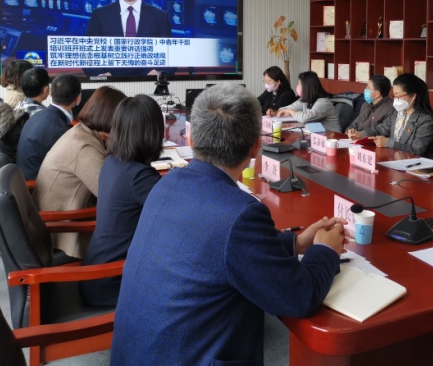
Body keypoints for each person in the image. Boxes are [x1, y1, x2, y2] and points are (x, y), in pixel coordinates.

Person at [111, 84, 346, 366]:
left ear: (191, 137)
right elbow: (299, 298)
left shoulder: (167, 183)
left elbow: (218, 245)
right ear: (256, 147)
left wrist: (294, 243)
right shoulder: (241, 213)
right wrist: (325, 251)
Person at [80, 94, 163, 307]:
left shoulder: (112, 162)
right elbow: (180, 217)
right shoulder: (140, 177)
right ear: (154, 132)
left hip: (98, 274)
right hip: (114, 282)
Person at [34, 86, 127, 258]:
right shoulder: (84, 147)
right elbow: (113, 197)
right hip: (64, 233)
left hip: (57, 220)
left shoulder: (82, 132)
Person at [85, 0, 171, 77]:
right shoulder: (99, 15)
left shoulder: (160, 17)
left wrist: (159, 73)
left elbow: (170, 56)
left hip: (149, 84)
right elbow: (88, 55)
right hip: (110, 85)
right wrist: (101, 76)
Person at [348, 73, 433, 158]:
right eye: (394, 96)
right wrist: (361, 134)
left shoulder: (425, 120)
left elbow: (416, 151)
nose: (396, 100)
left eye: (399, 96)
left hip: (418, 165)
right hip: (396, 160)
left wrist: (389, 143)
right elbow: (381, 128)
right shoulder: (399, 113)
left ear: (412, 96)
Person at [16, 73, 81, 181]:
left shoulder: (37, 115)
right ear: (78, 98)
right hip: (36, 185)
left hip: (25, 178)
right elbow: (71, 165)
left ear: (51, 94)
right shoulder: (59, 129)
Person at [271, 71, 341, 132]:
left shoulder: (323, 102)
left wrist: (290, 111)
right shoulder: (306, 100)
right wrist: (276, 112)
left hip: (333, 137)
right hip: (316, 135)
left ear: (307, 87)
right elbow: (290, 107)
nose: (297, 87)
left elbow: (305, 118)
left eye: (299, 84)